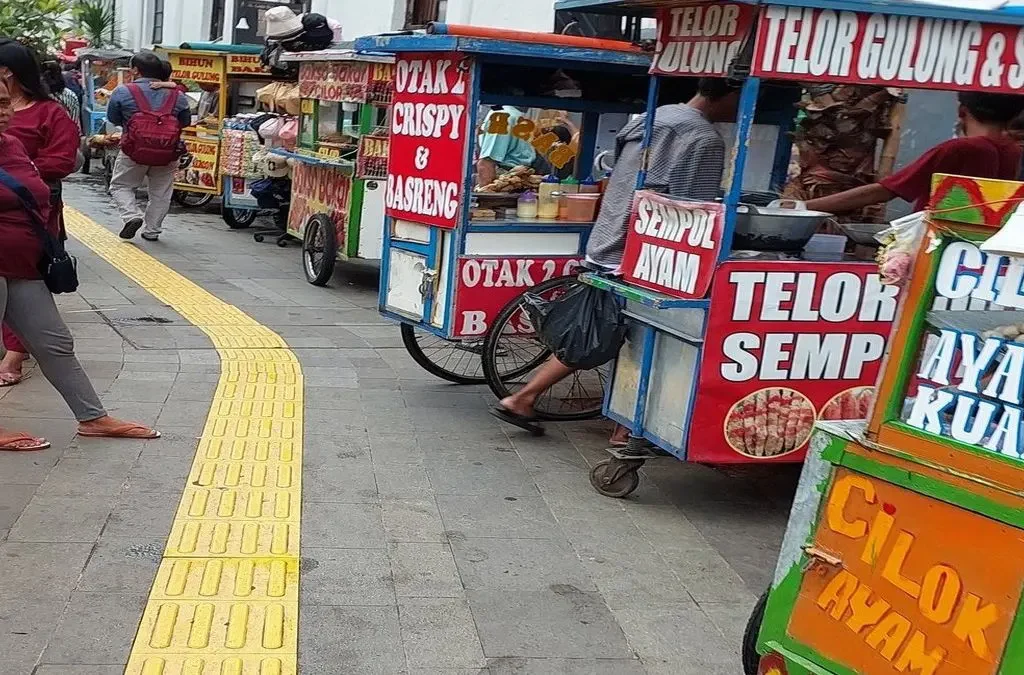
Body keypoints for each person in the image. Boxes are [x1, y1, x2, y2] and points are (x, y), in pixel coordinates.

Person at [490, 78, 742, 439]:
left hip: (610, 236)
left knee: (609, 328)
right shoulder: (701, 137)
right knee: (649, 335)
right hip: (643, 251)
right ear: (730, 94)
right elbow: (694, 209)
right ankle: (624, 430)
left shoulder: (654, 118)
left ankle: (529, 398)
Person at [0, 76, 159, 449]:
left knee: (54, 342)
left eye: (5, 103)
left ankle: (92, 418)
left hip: (23, 264)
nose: (3, 112)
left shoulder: (12, 146)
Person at [0, 39, 80, 387]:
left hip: (33, 212)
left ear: (9, 72)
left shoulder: (49, 112)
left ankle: (15, 353)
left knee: (25, 284)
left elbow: (63, 159)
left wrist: (23, 169)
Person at [805, 92, 1024, 214]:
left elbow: (884, 191)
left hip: (935, 247)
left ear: (961, 111)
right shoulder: (1015, 152)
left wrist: (803, 208)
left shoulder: (959, 149)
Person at [107, 50, 191, 242]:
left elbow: (113, 118)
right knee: (161, 192)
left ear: (136, 70)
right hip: (168, 151)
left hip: (133, 150)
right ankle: (152, 230)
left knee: (121, 186)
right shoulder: (177, 95)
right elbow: (185, 121)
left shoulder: (123, 91)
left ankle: (131, 216)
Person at [476, 105, 538, 188]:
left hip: (524, 179)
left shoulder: (519, 115)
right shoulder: (504, 116)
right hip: (506, 183)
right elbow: (486, 164)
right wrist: (489, 196)